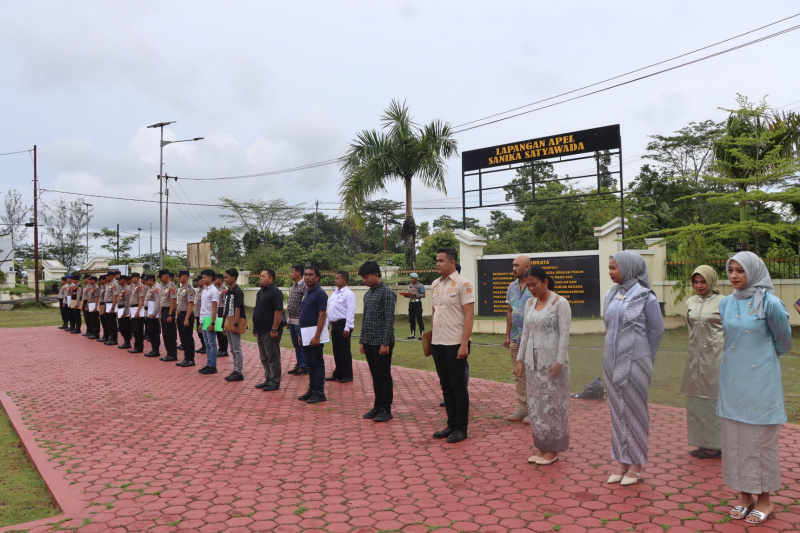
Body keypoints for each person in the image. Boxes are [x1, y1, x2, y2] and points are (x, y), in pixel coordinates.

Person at [718, 252, 791, 525]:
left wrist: (759, 361)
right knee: (735, 441)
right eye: (731, 270)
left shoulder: (770, 303)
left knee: (759, 443)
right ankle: (745, 496)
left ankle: (765, 501)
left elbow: (784, 342)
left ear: (755, 272)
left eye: (741, 270)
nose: (734, 275)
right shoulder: (725, 303)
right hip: (731, 381)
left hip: (760, 382)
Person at [603, 252, 664, 486]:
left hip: (636, 361)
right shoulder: (612, 294)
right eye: (609, 268)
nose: (611, 272)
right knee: (617, 411)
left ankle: (636, 465)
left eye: (614, 268)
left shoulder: (645, 296)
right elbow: (608, 325)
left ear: (629, 269)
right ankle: (621, 461)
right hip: (611, 360)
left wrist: (645, 355)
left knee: (635, 412)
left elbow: (656, 331)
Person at [514, 266, 571, 465]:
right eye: (528, 285)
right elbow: (526, 334)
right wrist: (520, 359)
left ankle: (553, 450)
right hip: (533, 364)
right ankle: (541, 446)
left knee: (552, 407)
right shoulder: (530, 303)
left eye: (534, 284)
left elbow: (564, 334)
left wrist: (559, 362)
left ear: (545, 282)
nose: (531, 289)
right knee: (536, 407)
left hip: (552, 364)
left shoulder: (560, 303)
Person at [430, 248, 475, 444]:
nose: (437, 264)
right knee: (445, 384)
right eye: (436, 261)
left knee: (458, 386)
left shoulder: (463, 284)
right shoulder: (435, 284)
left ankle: (461, 428)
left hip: (456, 343)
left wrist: (464, 343)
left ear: (452, 262)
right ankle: (450, 424)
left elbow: (469, 315)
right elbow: (434, 312)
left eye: (441, 260)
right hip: (438, 342)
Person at [682, 265, 723, 459]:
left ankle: (716, 445)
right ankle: (701, 442)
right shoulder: (690, 301)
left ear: (711, 280)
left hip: (716, 358)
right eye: (695, 282)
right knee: (696, 400)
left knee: (714, 400)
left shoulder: (724, 302)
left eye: (703, 281)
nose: (699, 285)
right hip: (695, 358)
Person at [358, 261, 397, 422]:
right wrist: (362, 341)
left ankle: (386, 408)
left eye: (367, 277)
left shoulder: (387, 293)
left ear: (376, 275)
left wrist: (385, 343)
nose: (364, 281)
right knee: (375, 375)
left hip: (381, 342)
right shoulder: (368, 294)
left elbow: (389, 319)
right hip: (369, 341)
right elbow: (365, 318)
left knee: (384, 375)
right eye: (363, 278)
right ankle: (377, 405)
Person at [505, 255, 532, 423]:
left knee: (534, 374)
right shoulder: (512, 287)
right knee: (519, 373)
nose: (514, 268)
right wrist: (507, 335)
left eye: (517, 265)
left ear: (527, 267)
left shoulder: (534, 285)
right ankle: (523, 408)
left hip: (532, 339)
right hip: (516, 337)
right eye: (513, 265)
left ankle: (535, 410)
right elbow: (509, 311)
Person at [297, 265, 328, 404]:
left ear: (317, 277)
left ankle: (319, 392)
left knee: (317, 362)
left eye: (310, 275)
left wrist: (317, 336)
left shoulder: (320, 293)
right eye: (306, 275)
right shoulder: (306, 292)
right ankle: (312, 389)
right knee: (310, 362)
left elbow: (322, 315)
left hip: (314, 333)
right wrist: (300, 334)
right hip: (305, 333)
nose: (307, 277)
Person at [252, 269, 284, 391]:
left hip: (270, 330)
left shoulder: (275, 292)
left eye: (263, 276)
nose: (260, 277)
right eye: (260, 275)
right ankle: (268, 378)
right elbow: (257, 309)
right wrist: (255, 327)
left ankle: (275, 381)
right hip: (260, 330)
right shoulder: (260, 292)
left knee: (272, 357)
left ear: (270, 279)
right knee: (264, 357)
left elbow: (278, 311)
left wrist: (274, 329)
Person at [326, 270, 356, 383]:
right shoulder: (334, 293)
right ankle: (338, 373)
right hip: (335, 324)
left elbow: (350, 312)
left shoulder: (349, 294)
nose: (335, 280)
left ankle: (347, 375)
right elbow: (331, 310)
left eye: (337, 278)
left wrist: (347, 327)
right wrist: (327, 324)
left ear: (344, 280)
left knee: (344, 351)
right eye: (335, 278)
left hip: (343, 324)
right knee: (336, 350)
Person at [222, 268, 246, 382]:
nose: (225, 279)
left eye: (227, 277)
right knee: (232, 348)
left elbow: (238, 309)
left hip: (234, 322)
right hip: (229, 322)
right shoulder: (229, 291)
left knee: (236, 348)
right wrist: (224, 325)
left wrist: (235, 324)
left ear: (233, 278)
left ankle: (239, 372)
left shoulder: (237, 291)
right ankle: (235, 369)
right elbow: (226, 309)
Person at [286, 265, 309, 376]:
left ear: (298, 273)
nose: (291, 274)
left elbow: (304, 304)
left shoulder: (304, 286)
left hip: (300, 320)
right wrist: (288, 319)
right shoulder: (294, 286)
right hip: (292, 320)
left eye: (292, 272)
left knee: (302, 343)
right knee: (296, 343)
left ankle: (305, 365)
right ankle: (299, 364)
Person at [198, 269, 220, 375]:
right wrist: (200, 322)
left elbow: (214, 309)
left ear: (210, 278)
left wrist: (213, 323)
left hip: (210, 319)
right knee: (207, 344)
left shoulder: (213, 291)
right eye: (202, 277)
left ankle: (213, 365)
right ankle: (209, 363)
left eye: (204, 277)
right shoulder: (205, 290)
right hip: (204, 319)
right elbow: (203, 307)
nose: (202, 279)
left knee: (212, 343)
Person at [175, 270, 196, 367]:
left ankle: (190, 359)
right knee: (183, 338)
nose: (179, 278)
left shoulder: (189, 289)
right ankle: (186, 358)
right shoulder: (181, 288)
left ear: (186, 277)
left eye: (180, 276)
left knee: (187, 338)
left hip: (186, 314)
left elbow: (190, 304)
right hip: (181, 314)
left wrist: (187, 318)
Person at [158, 269, 179, 362]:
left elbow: (173, 301)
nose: (160, 279)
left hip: (168, 311)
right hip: (164, 311)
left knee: (170, 334)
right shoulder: (164, 287)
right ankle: (168, 353)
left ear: (166, 276)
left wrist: (170, 314)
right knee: (165, 334)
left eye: (161, 277)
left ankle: (172, 355)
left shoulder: (172, 287)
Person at [143, 274, 162, 357]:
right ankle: (153, 349)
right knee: (151, 332)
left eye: (146, 280)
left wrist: (154, 313)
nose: (145, 282)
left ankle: (156, 350)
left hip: (154, 314)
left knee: (154, 333)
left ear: (151, 280)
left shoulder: (156, 288)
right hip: (149, 313)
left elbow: (157, 302)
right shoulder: (150, 288)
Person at [404, 273, 426, 339]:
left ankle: (422, 333)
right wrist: (406, 294)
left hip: (417, 303)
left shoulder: (420, 285)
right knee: (411, 319)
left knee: (419, 319)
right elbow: (409, 295)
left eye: (412, 278)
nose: (411, 279)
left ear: (416, 278)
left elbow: (424, 295)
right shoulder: (410, 285)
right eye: (410, 278)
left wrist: (416, 294)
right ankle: (412, 333)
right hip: (411, 303)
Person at [128, 272, 146, 354]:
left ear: (137, 278)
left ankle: (139, 347)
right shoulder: (134, 287)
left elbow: (141, 299)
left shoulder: (140, 286)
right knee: (135, 329)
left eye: (133, 278)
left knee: (138, 329)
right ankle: (136, 346)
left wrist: (138, 311)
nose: (131, 280)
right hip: (133, 308)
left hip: (137, 308)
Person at [213, 273, 229, 357]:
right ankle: (221, 348)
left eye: (215, 279)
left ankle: (224, 350)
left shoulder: (224, 289)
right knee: (218, 331)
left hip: (222, 310)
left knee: (221, 331)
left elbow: (226, 303)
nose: (214, 281)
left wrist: (223, 315)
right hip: (217, 310)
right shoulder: (217, 289)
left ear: (220, 279)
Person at [102, 271, 120, 346]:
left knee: (112, 323)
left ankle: (114, 339)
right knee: (108, 322)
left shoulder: (114, 284)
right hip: (107, 304)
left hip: (112, 305)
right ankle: (110, 338)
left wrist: (113, 307)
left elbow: (115, 296)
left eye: (107, 276)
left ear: (112, 276)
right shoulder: (108, 285)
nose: (106, 277)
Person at [117, 275, 132, 349]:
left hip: (124, 309)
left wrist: (125, 312)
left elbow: (127, 301)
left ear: (124, 280)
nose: (118, 281)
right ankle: (125, 341)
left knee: (125, 327)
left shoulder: (127, 289)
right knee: (121, 327)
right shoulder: (122, 289)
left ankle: (127, 342)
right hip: (120, 309)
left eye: (119, 280)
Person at [194, 275, 207, 354]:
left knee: (203, 332)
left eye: (198, 281)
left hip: (204, 315)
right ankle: (203, 345)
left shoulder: (205, 290)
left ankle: (205, 346)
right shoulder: (199, 290)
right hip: (199, 314)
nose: (197, 283)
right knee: (199, 332)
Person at [96, 276, 107, 342]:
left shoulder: (106, 287)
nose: (99, 281)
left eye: (100, 280)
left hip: (104, 305)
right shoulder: (102, 287)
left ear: (104, 280)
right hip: (101, 305)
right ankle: (105, 335)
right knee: (103, 321)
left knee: (105, 321)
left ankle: (106, 336)